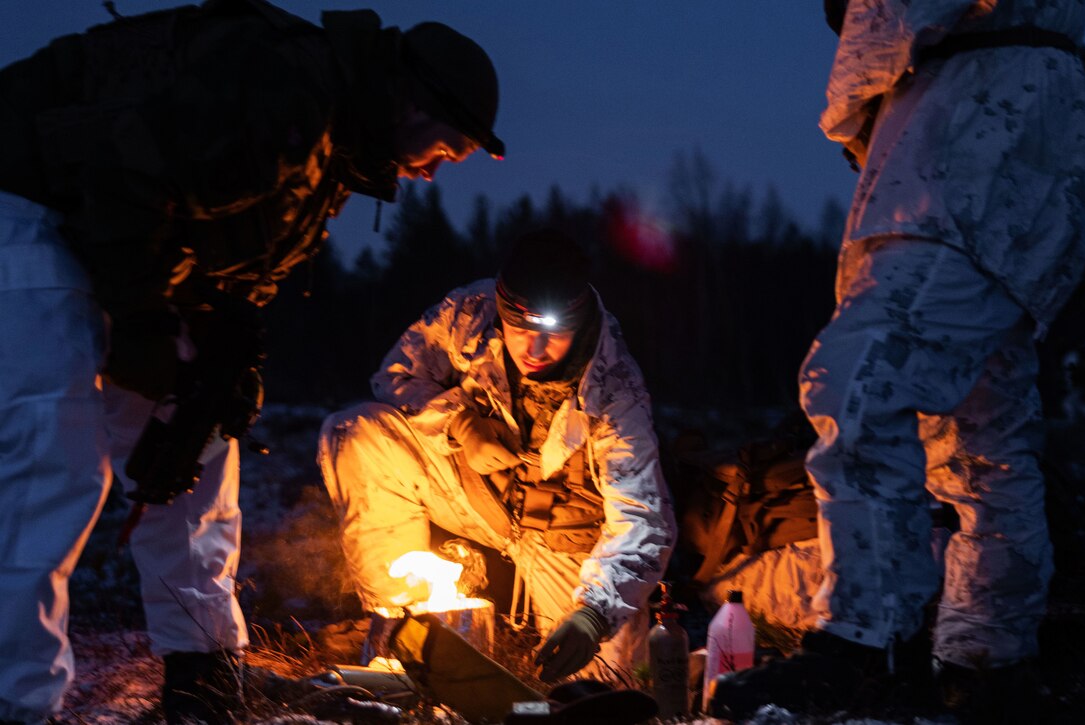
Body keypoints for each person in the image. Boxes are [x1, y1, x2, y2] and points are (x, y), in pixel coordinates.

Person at [0, 0, 504, 722]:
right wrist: (145, 324)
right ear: (414, 104)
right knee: (56, 463)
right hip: (32, 203)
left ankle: (203, 668)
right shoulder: (283, 89)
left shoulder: (332, 144)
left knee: (199, 444)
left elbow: (226, 245)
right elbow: (122, 169)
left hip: (127, 248)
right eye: (445, 150)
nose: (430, 174)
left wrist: (218, 355)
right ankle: (16, 701)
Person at [714, 0, 1085, 721]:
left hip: (970, 152)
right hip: (1013, 153)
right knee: (983, 431)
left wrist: (857, 111)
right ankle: (990, 658)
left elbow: (882, 27)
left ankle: (868, 643)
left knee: (861, 380)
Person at [319, 229, 676, 683]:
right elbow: (396, 374)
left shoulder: (617, 390)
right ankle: (399, 628)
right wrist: (459, 423)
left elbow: (645, 520)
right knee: (358, 432)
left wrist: (594, 613)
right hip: (484, 499)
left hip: (567, 538)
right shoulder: (470, 313)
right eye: (520, 330)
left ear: (579, 321)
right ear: (502, 311)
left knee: (600, 686)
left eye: (555, 335)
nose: (535, 350)